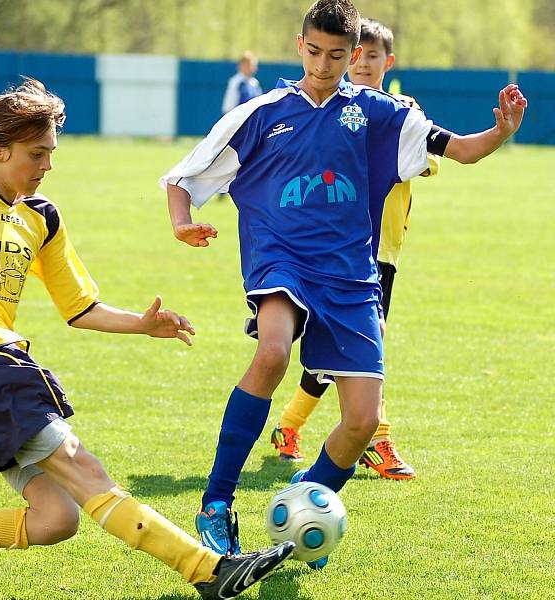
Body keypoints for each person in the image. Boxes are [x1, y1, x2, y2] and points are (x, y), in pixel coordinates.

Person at [0, 79, 294, 599]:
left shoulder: (41, 216)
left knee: (55, 519)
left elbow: (79, 306)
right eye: (36, 154)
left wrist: (143, 323)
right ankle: (207, 569)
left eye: (51, 154)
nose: (47, 166)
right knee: (83, 468)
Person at [161, 0, 526, 563]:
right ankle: (216, 502)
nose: (324, 64)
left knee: (359, 423)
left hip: (352, 275)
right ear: (298, 44)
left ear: (355, 54)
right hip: (280, 262)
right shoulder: (261, 113)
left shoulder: (383, 114)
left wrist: (499, 132)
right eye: (314, 51)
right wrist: (182, 223)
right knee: (273, 355)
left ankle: (308, 499)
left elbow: (458, 150)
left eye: (337, 55)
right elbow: (183, 177)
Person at [270, 18, 440, 481]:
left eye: (370, 56)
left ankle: (290, 424)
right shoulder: (333, 108)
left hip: (384, 248)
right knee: (366, 342)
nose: (361, 63)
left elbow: (423, 163)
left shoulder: (398, 111)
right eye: (356, 54)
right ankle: (378, 439)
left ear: (388, 62)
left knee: (347, 352)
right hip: (341, 248)